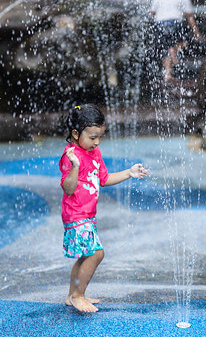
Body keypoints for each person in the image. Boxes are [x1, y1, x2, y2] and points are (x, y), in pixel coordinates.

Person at [59, 104, 147, 313]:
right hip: (76, 214)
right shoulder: (71, 156)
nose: (97, 142)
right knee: (97, 254)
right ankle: (78, 295)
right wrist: (75, 166)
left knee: (86, 255)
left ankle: (73, 294)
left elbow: (104, 179)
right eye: (92, 137)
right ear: (75, 133)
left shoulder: (94, 151)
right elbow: (68, 188)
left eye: (100, 136)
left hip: (88, 215)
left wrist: (129, 173)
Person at [149, 0, 202, 82]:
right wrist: (196, 33)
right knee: (186, 42)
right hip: (176, 22)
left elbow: (151, 13)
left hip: (160, 24)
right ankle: (175, 49)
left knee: (165, 49)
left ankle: (167, 74)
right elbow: (189, 17)